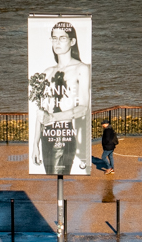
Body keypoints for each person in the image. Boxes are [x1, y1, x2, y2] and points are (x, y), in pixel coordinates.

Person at [30, 21, 91, 175]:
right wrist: (35, 144)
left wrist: (53, 117)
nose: (57, 42)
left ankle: (62, 199)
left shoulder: (81, 69)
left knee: (59, 175)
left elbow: (83, 108)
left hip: (64, 133)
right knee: (50, 177)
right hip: (46, 135)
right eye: (54, 38)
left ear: (72, 41)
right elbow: (41, 109)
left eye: (62, 38)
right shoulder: (47, 72)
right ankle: (58, 199)